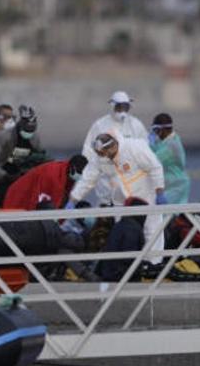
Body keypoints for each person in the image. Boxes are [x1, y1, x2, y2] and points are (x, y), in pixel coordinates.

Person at [69, 133, 167, 265]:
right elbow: (88, 179)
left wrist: (159, 191)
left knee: (152, 231)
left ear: (110, 148)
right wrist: (73, 199)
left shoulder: (135, 147)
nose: (100, 157)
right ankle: (127, 267)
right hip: (121, 201)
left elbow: (155, 167)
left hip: (146, 196)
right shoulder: (100, 157)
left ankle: (154, 265)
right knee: (124, 233)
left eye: (102, 153)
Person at [82, 91, 148, 205]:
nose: (122, 111)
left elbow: (145, 148)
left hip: (131, 179)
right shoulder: (100, 125)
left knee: (129, 209)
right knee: (107, 211)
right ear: (112, 106)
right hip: (106, 180)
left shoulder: (136, 124)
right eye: (119, 107)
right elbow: (88, 149)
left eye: (125, 107)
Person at [0, 105, 47, 208]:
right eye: (26, 131)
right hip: (2, 180)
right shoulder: (2, 138)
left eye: (31, 132)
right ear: (20, 126)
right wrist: (4, 176)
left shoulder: (35, 137)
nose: (29, 134)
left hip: (24, 179)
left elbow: (42, 158)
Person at [2, 155, 88, 210]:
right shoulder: (53, 176)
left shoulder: (66, 173)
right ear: (72, 168)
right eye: (79, 173)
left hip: (30, 194)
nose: (79, 176)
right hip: (20, 196)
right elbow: (37, 200)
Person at [97, 197, 148, 282]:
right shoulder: (133, 228)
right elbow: (129, 258)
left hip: (111, 274)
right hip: (120, 278)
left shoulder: (121, 225)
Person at [149, 113, 190, 204]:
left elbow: (153, 160)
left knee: (164, 214)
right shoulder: (166, 141)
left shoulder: (172, 145)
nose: (155, 133)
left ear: (163, 129)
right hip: (169, 185)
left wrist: (150, 145)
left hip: (177, 186)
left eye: (156, 130)